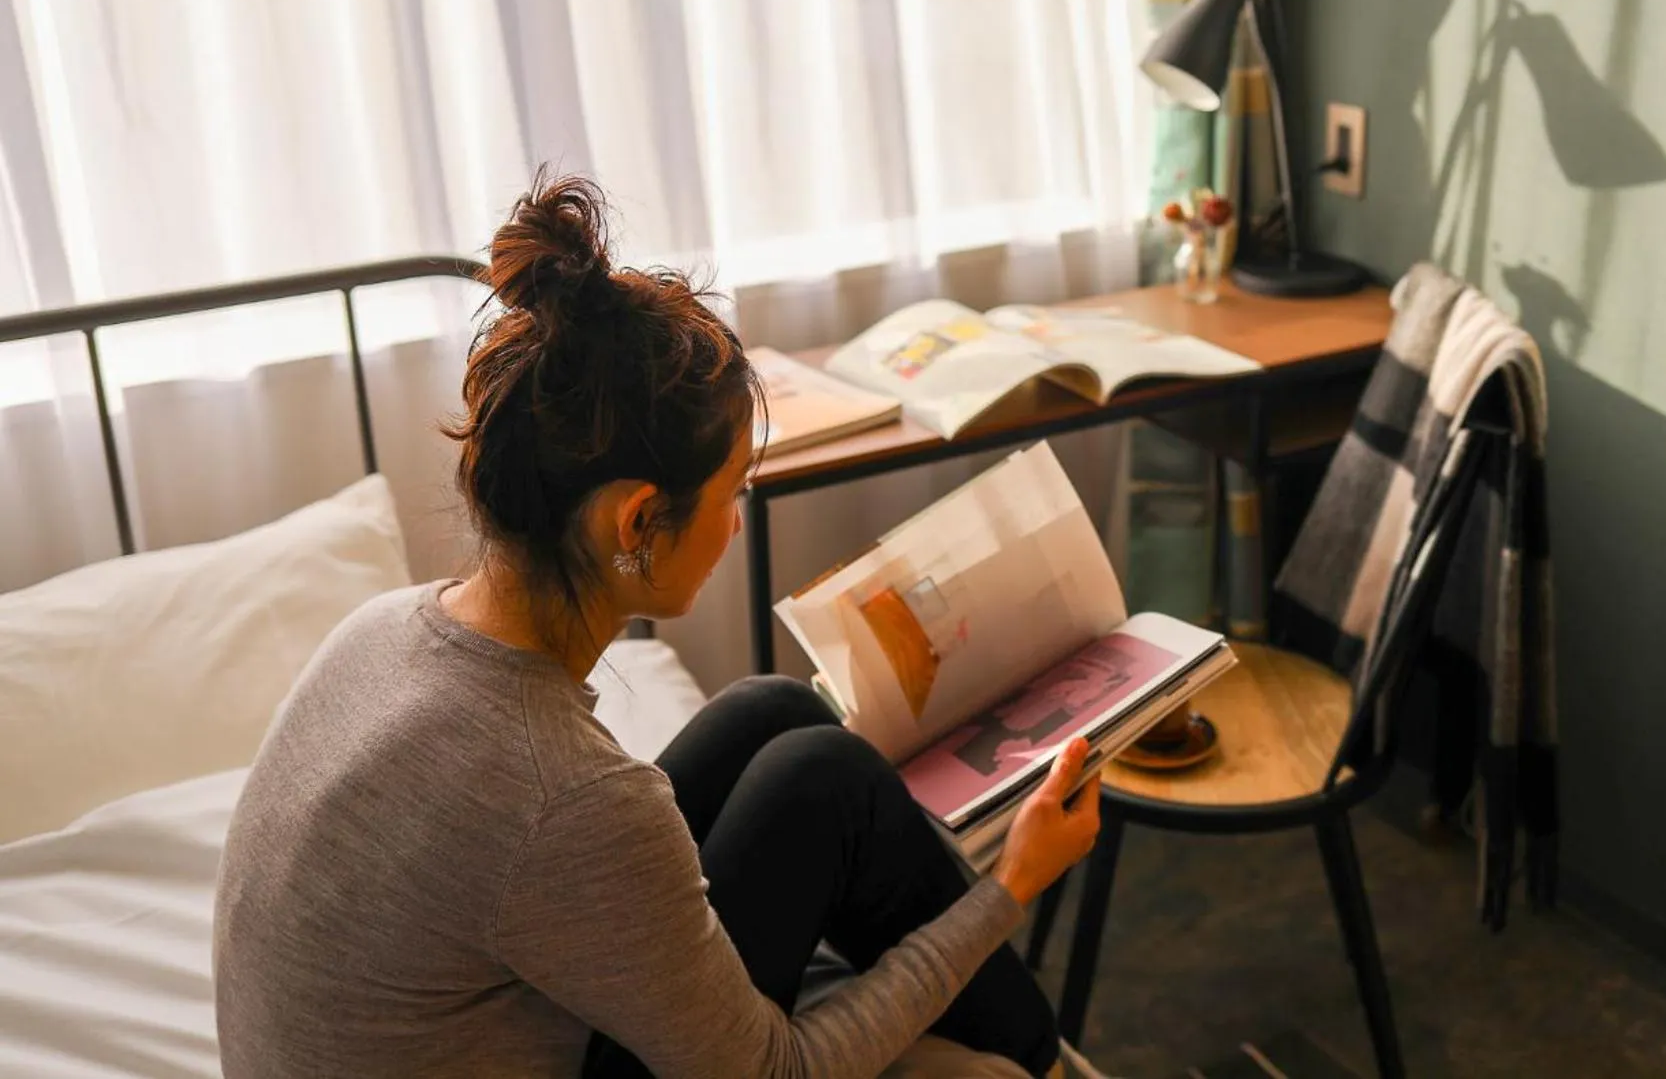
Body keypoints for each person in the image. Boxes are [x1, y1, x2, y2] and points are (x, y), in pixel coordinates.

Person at [213, 173, 1098, 1078]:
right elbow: (774, 1071)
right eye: (730, 496)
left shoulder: (381, 627)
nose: (738, 523)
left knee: (775, 711)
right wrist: (1010, 885)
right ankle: (1035, 1054)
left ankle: (1016, 1037)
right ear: (636, 521)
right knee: (818, 772)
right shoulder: (567, 793)